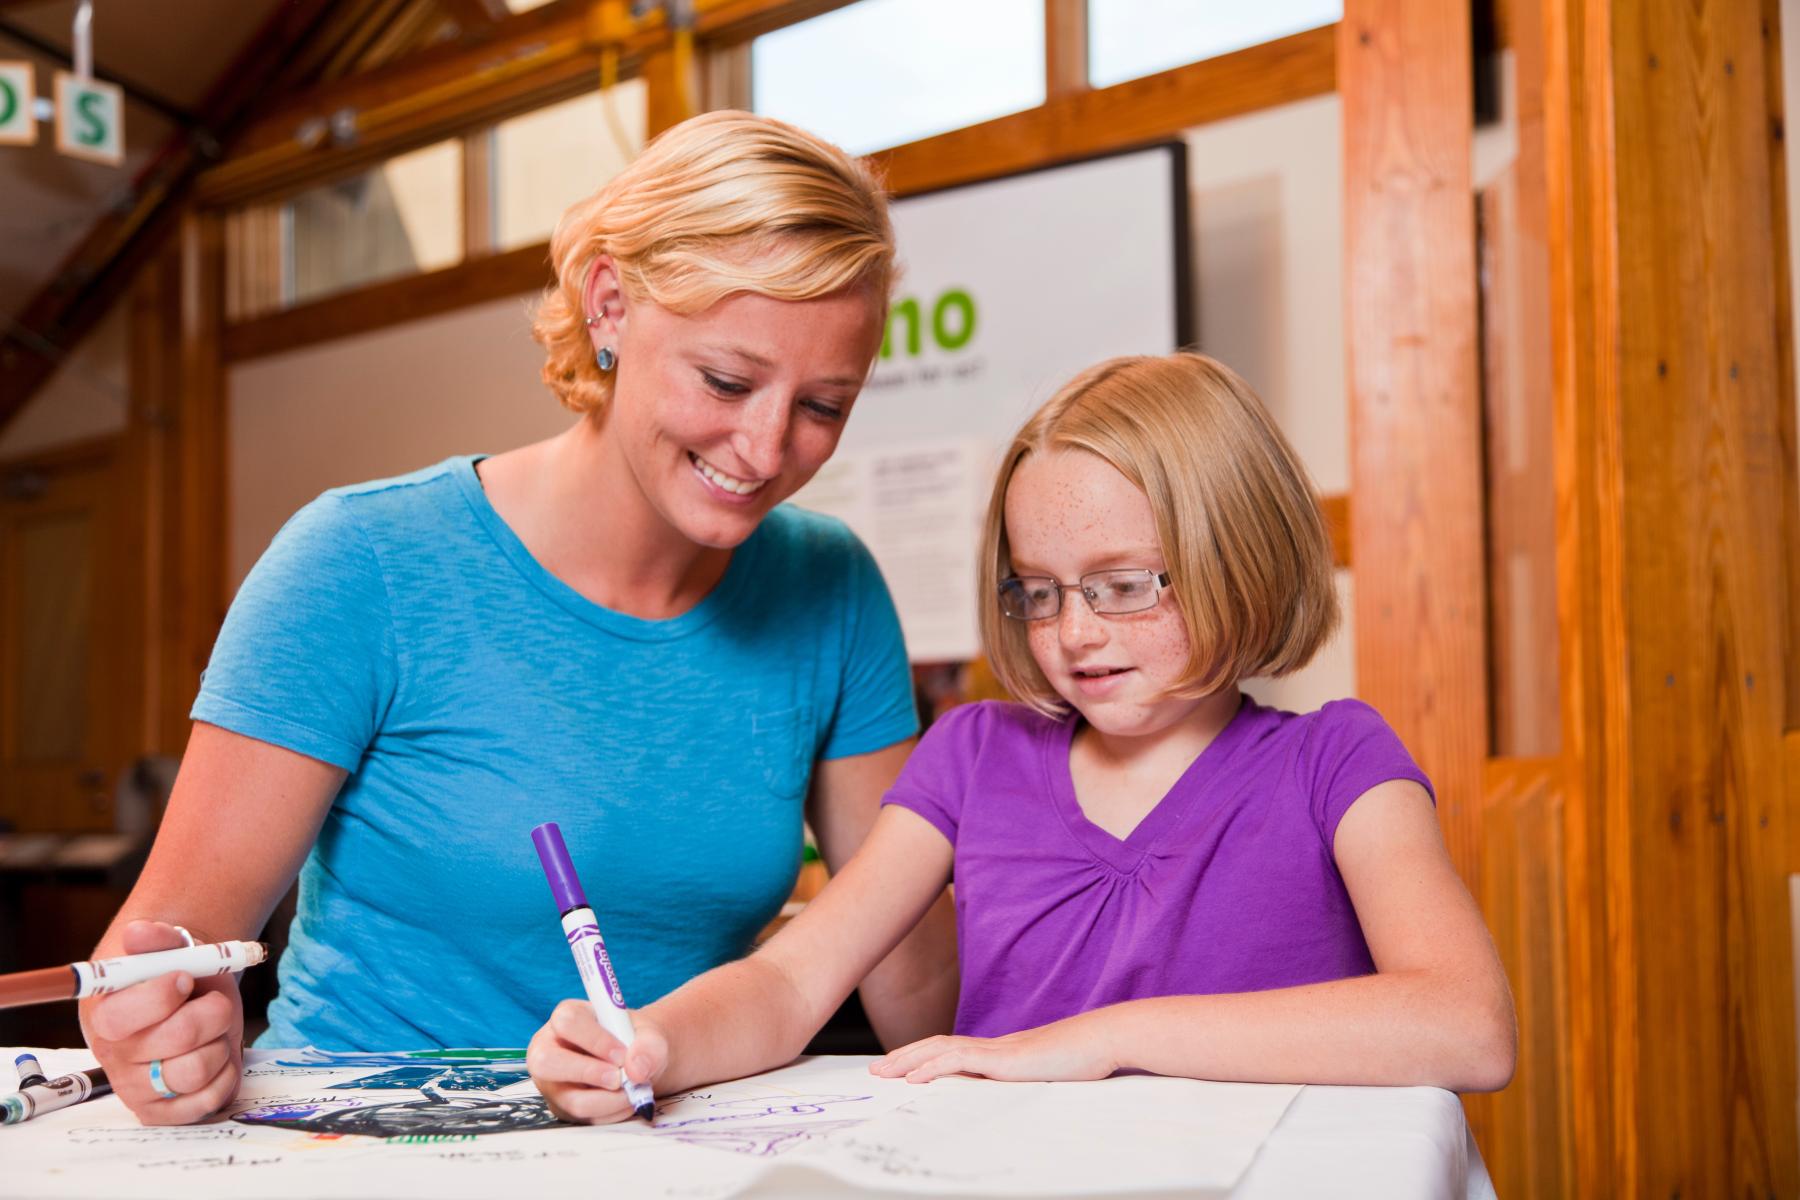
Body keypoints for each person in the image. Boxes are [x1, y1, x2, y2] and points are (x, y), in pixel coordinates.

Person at [79, 110, 959, 1126]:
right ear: (611, 303)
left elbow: (918, 996)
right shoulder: (361, 563)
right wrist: (158, 1044)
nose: (765, 451)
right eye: (726, 379)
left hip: (656, 1152)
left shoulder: (831, 587)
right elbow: (156, 964)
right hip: (360, 1151)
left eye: (823, 407)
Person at [528, 352, 1516, 1121]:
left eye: (1125, 585)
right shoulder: (973, 756)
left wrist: (1107, 1039)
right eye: (1038, 592)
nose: (1074, 632)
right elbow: (792, 981)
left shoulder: (1338, 761)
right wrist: (651, 1043)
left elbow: (1468, 1025)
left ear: (1240, 554)